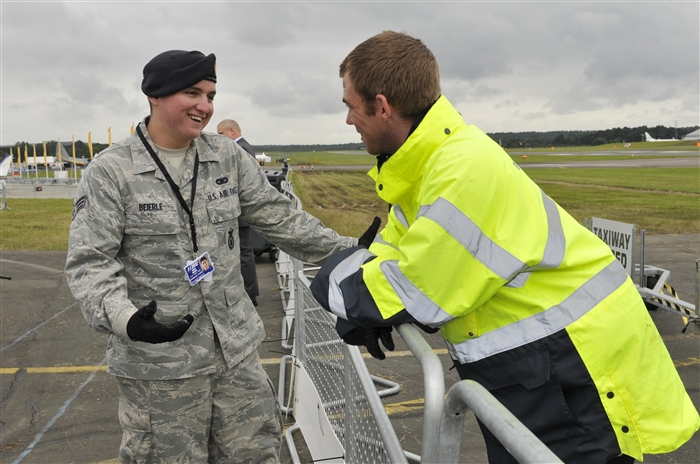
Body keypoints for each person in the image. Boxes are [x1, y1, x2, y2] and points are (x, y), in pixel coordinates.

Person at [310, 31, 699, 464]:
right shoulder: (423, 170)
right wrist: (368, 291)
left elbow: (411, 289)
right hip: (535, 365)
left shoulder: (462, 168)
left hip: (573, 361)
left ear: (381, 106)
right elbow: (392, 250)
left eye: (349, 106)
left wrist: (335, 284)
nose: (348, 120)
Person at [64, 49, 365, 463]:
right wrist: (127, 320)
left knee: (256, 456)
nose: (205, 106)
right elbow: (90, 262)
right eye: (193, 93)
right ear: (155, 96)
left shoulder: (226, 156)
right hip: (161, 370)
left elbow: (280, 219)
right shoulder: (110, 172)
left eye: (210, 95)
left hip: (235, 357)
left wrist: (351, 249)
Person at [217, 118, 259, 305]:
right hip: (240, 210)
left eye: (221, 134)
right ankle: (249, 292)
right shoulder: (244, 146)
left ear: (231, 131)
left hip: (240, 211)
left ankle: (250, 293)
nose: (218, 138)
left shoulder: (240, 148)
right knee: (243, 252)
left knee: (243, 253)